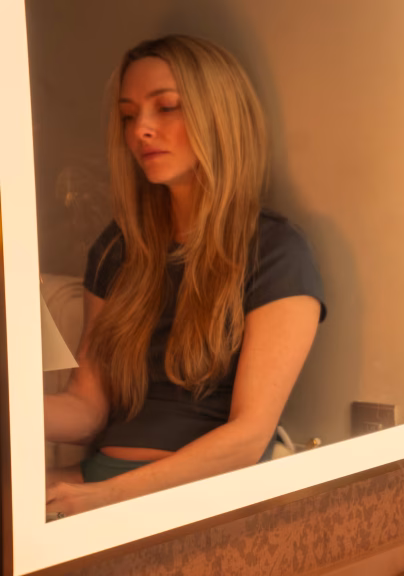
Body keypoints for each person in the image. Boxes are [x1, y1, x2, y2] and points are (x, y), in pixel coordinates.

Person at [43, 34, 327, 519]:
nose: (141, 131)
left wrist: (108, 497)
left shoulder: (276, 251)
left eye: (166, 107)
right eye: (130, 115)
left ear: (219, 116)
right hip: (99, 482)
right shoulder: (118, 248)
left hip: (195, 502)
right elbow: (87, 410)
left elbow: (247, 435)